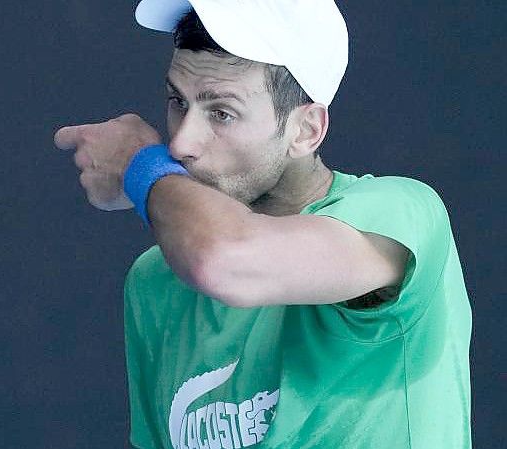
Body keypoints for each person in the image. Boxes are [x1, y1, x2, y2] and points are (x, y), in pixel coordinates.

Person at [53, 0, 472, 447]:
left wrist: (140, 167)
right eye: (178, 101)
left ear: (306, 130)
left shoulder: (398, 214)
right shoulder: (155, 279)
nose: (179, 144)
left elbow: (225, 258)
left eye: (221, 113)